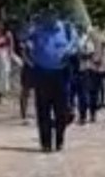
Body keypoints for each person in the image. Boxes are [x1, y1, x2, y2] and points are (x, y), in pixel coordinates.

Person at [26, 14, 76, 151]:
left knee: (62, 111)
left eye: (52, 13)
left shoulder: (66, 28)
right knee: (43, 110)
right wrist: (29, 48)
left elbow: (75, 43)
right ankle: (46, 143)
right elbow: (24, 40)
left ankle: (59, 140)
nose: (49, 17)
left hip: (61, 74)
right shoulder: (36, 30)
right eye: (47, 13)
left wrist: (68, 51)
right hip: (42, 74)